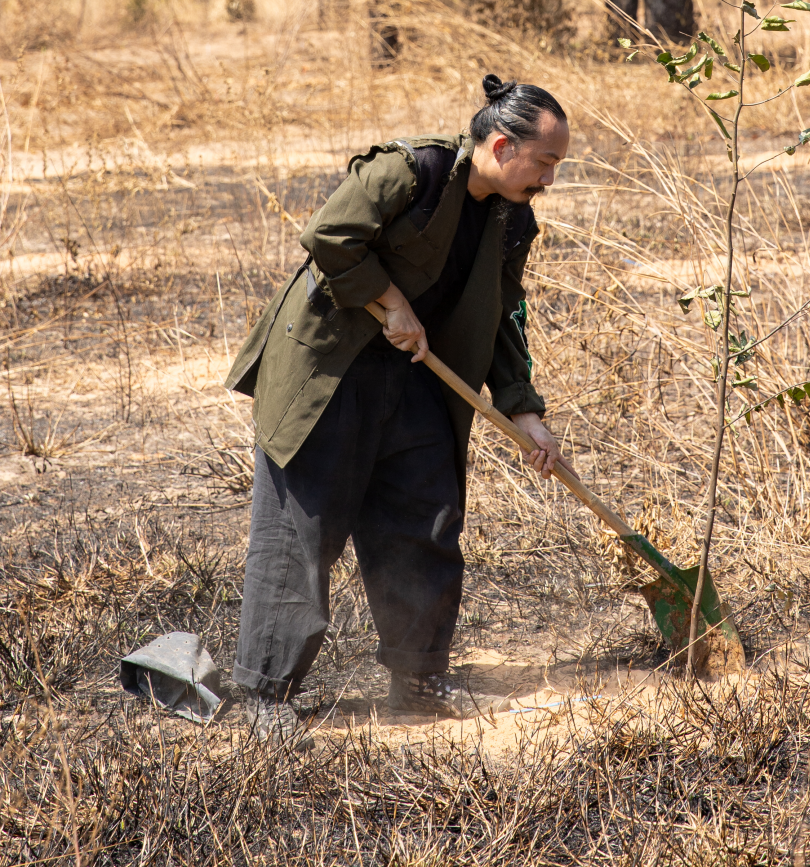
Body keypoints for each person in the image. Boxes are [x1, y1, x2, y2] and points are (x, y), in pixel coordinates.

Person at [224, 74, 574, 737]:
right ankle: (267, 691)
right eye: (547, 162)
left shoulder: (512, 218)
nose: (550, 179)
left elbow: (503, 313)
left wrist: (525, 408)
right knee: (303, 530)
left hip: (415, 377)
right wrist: (391, 301)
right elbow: (329, 236)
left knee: (426, 515)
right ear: (502, 145)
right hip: (330, 367)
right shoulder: (410, 170)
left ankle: (418, 678)